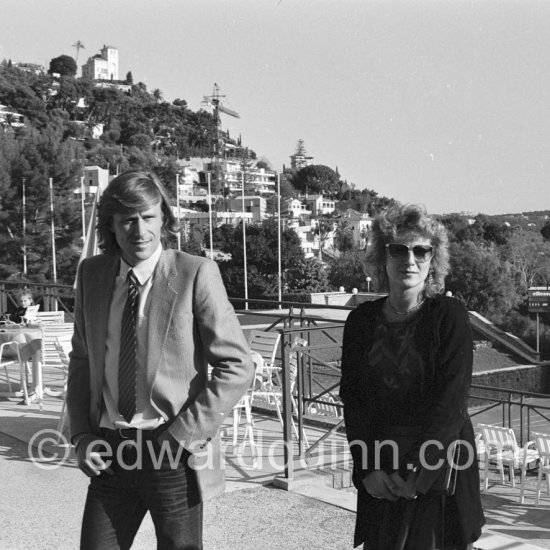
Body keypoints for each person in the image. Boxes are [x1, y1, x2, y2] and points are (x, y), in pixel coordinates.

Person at [67, 170, 255, 550]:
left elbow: (237, 364)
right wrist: (81, 436)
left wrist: (185, 435)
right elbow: (82, 360)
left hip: (171, 452)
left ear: (163, 219)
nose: (139, 230)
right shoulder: (92, 274)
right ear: (112, 226)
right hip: (110, 450)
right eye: (127, 220)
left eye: (148, 217)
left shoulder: (195, 273)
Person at [340, 203, 485, 550]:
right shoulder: (360, 322)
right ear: (382, 257)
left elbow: (450, 402)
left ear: (433, 260)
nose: (410, 260)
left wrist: (417, 473)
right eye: (398, 250)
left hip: (436, 474)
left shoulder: (448, 316)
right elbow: (354, 402)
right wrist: (368, 470)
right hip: (381, 469)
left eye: (421, 251)